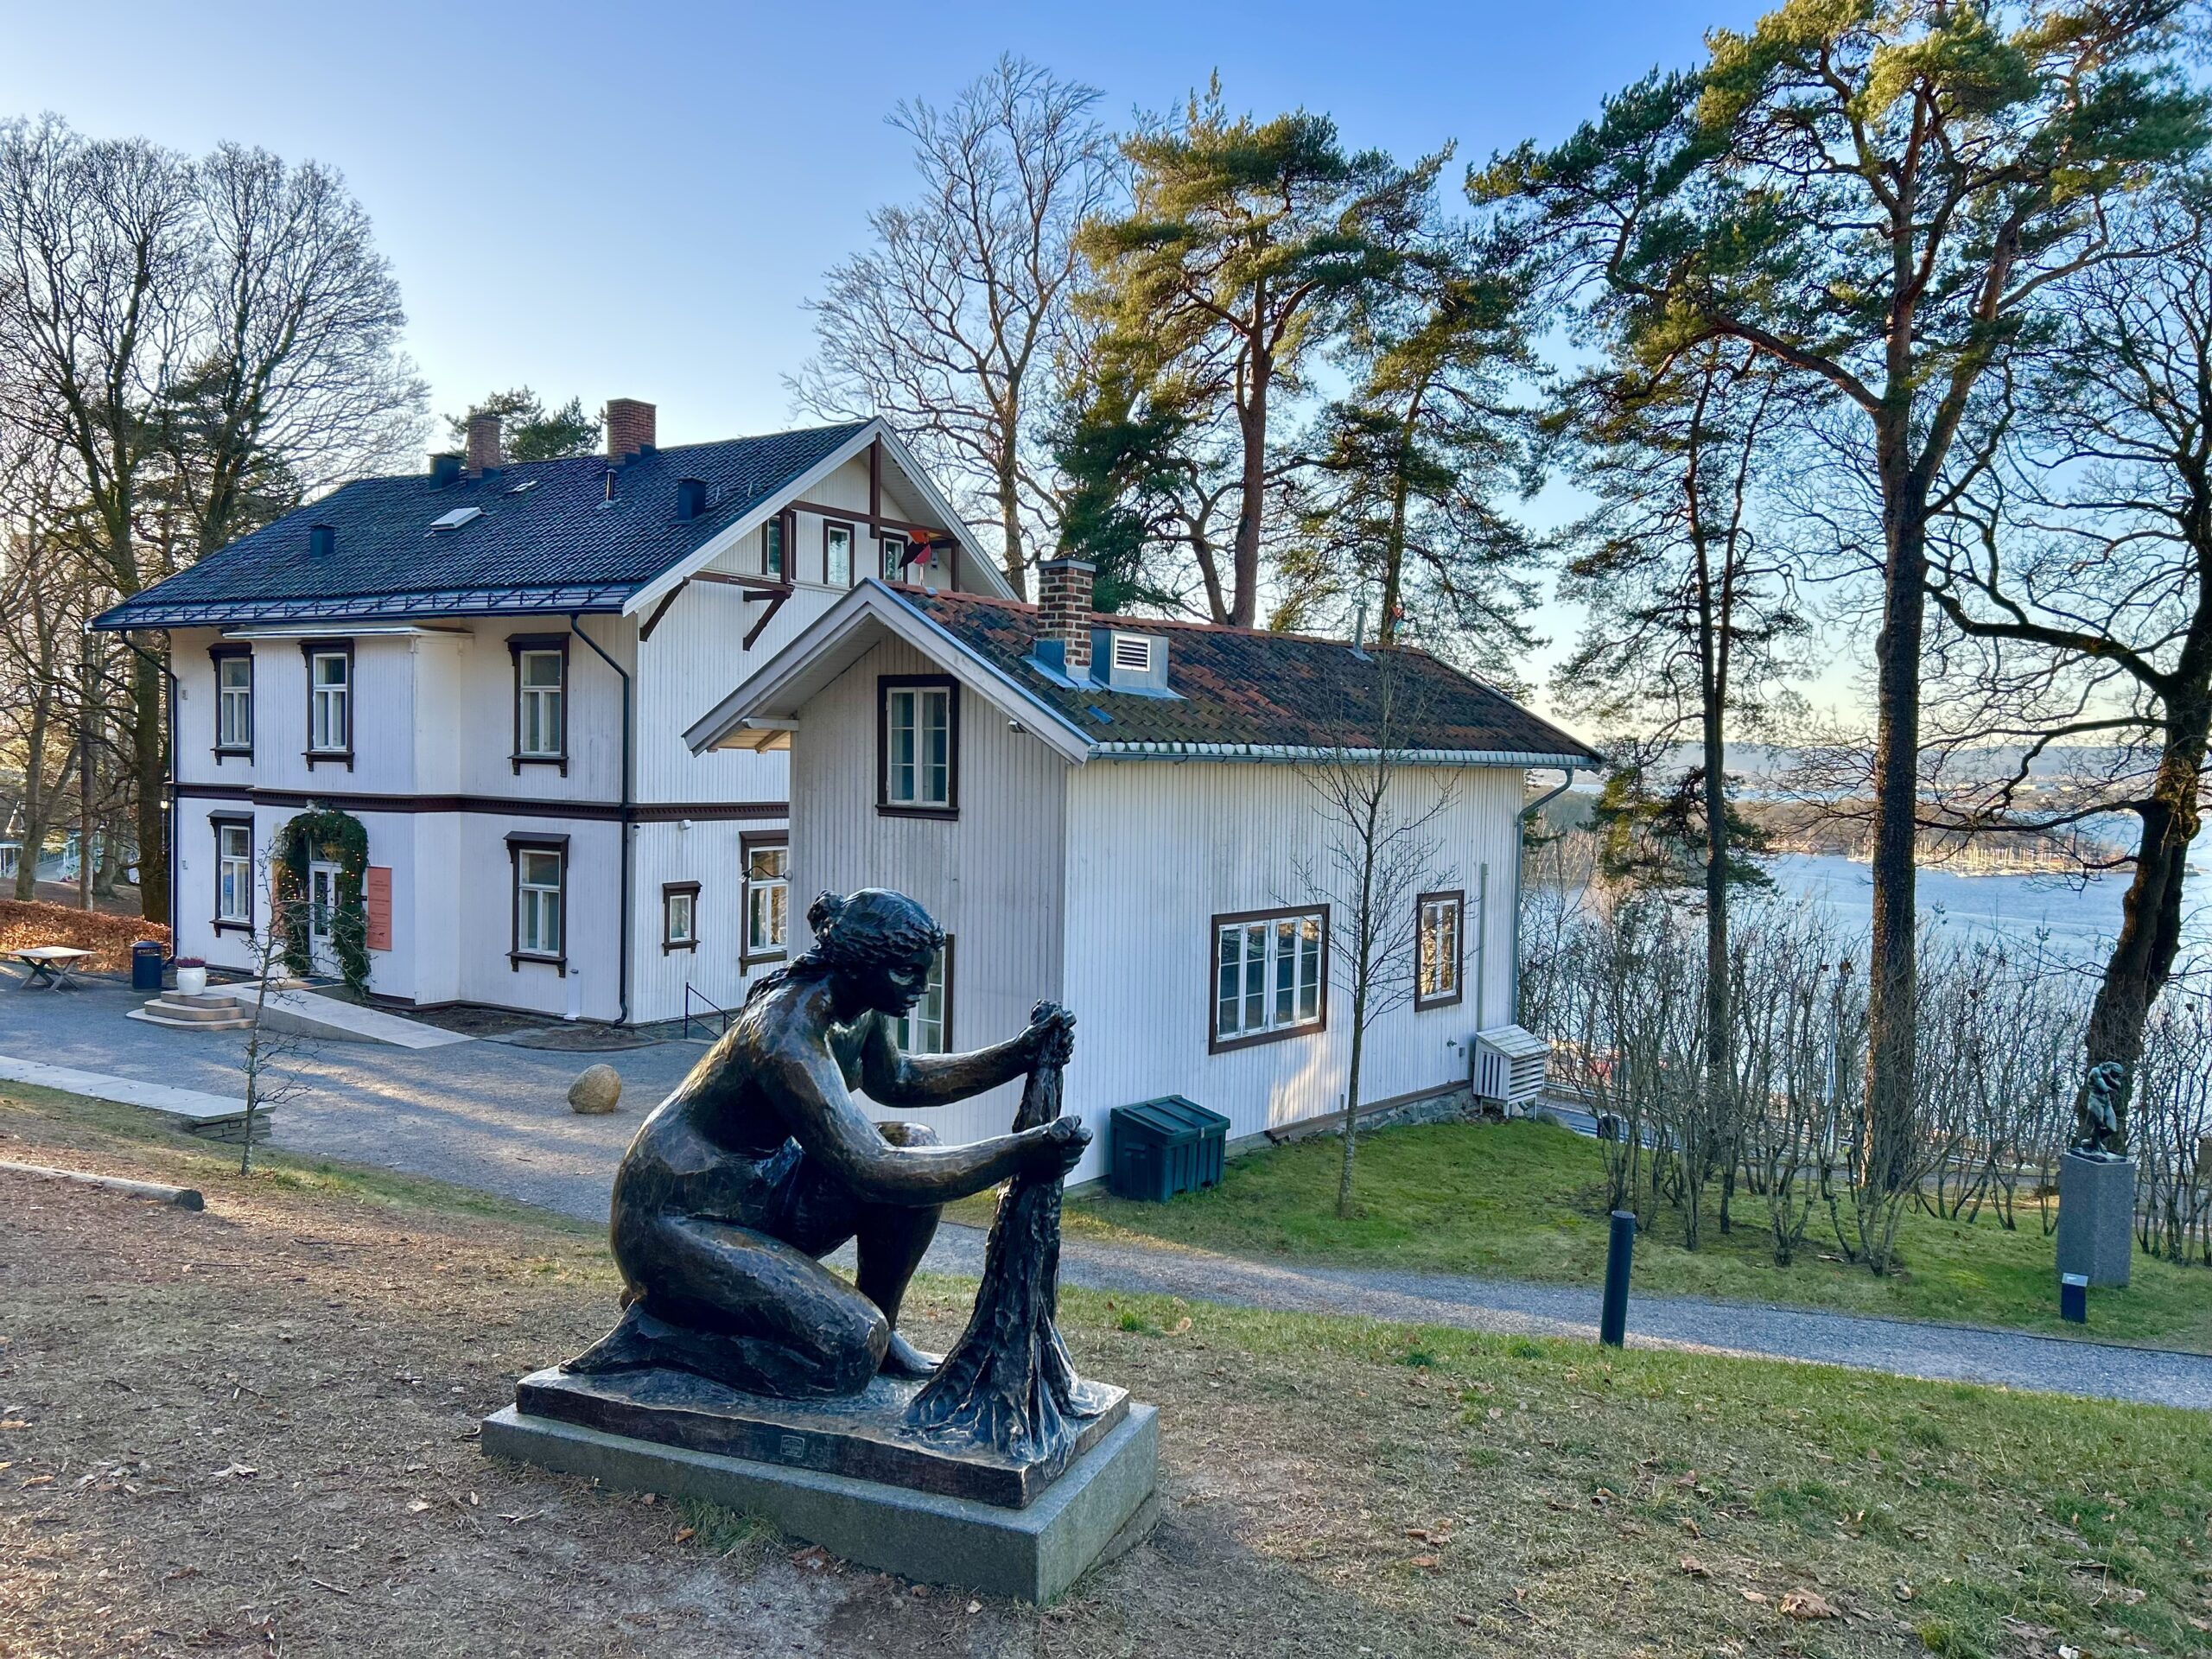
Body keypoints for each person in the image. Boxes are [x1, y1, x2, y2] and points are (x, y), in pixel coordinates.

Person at [568, 887, 1086, 1399]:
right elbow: (872, 1168)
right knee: (846, 1346)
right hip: (673, 1222)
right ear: (858, 965)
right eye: (907, 972)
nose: (922, 987)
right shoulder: (786, 1032)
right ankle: (669, 1338)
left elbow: (899, 1080)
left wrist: (1018, 1055)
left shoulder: (860, 1007)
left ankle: (880, 1322)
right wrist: (1021, 1151)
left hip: (762, 1194)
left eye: (925, 971)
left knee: (917, 1140)